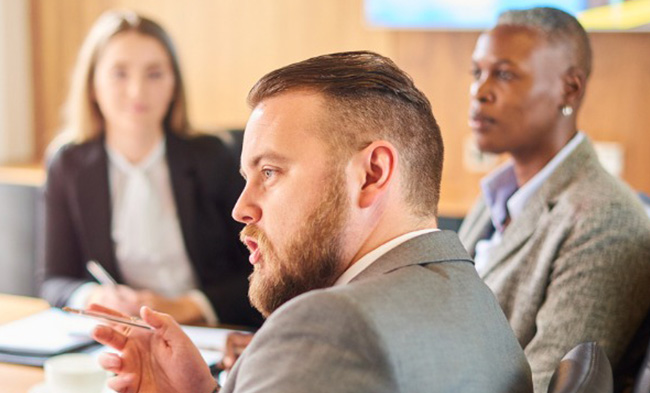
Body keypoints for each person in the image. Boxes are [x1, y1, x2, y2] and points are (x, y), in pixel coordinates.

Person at [90, 51, 533, 393]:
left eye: (270, 172)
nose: (241, 208)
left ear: (372, 174)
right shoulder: (473, 297)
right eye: (247, 178)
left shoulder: (327, 327)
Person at [458, 7, 650, 393]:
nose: (480, 91)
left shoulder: (604, 220)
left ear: (570, 89)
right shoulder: (500, 193)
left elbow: (547, 385)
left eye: (505, 74)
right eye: (477, 73)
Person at [37, 10, 262, 328]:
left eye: (154, 74)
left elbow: (263, 271)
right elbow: (55, 280)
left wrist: (190, 306)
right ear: (92, 85)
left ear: (174, 85)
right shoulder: (69, 164)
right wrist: (93, 297)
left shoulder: (214, 156)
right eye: (119, 73)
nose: (137, 91)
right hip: (126, 331)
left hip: (208, 331)